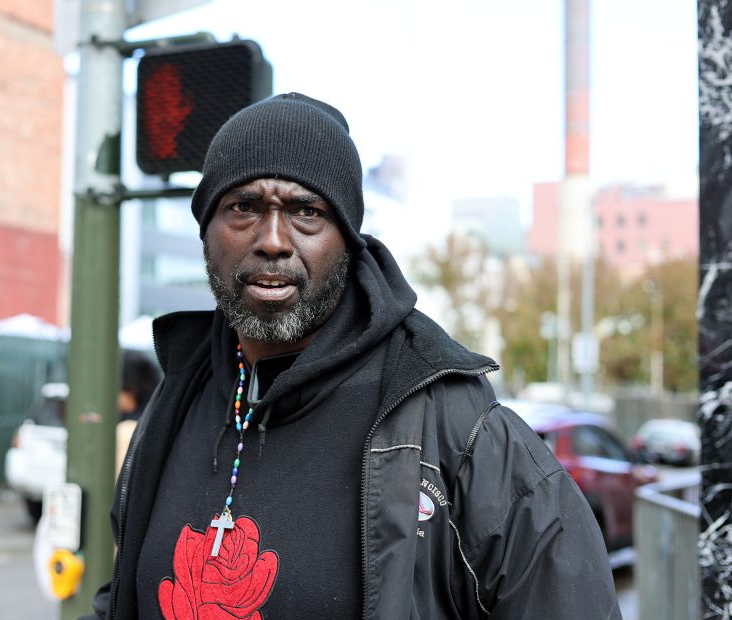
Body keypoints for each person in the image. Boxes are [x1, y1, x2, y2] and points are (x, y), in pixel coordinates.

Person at [85, 93, 621, 619]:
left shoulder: (458, 429)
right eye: (244, 207)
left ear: (347, 241)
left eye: (307, 211)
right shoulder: (179, 396)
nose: (273, 240)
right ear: (207, 231)